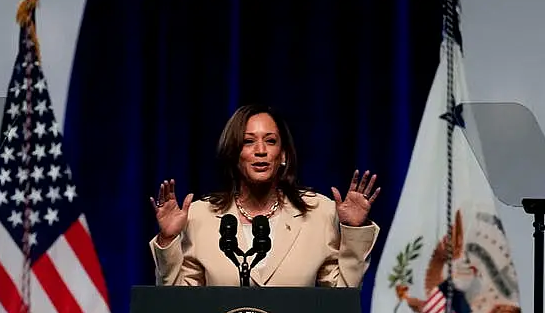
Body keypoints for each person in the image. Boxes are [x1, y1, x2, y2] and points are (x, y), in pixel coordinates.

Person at [149, 104, 381, 287]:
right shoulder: (200, 215)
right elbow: (178, 305)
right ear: (234, 153)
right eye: (248, 142)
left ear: (283, 155)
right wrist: (168, 240)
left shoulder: (318, 212)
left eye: (270, 141)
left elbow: (341, 299)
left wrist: (353, 230)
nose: (260, 151)